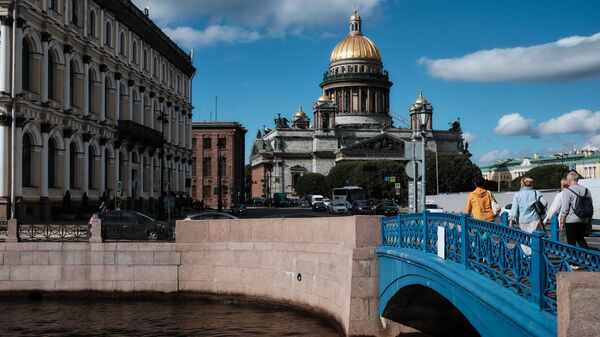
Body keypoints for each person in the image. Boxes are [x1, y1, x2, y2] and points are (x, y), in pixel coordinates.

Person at [509, 177, 548, 255]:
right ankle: (533, 257)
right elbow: (545, 203)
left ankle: (527, 257)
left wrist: (511, 221)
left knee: (524, 240)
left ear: (522, 184)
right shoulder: (536, 193)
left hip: (522, 221)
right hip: (535, 220)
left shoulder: (517, 195)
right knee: (534, 239)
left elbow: (514, 209)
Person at [559, 171, 592, 250]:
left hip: (571, 220)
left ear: (569, 180)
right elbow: (590, 207)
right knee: (580, 239)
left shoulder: (567, 191)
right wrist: (589, 222)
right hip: (584, 220)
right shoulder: (586, 190)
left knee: (571, 242)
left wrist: (562, 222)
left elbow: (565, 209)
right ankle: (589, 257)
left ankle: (572, 261)